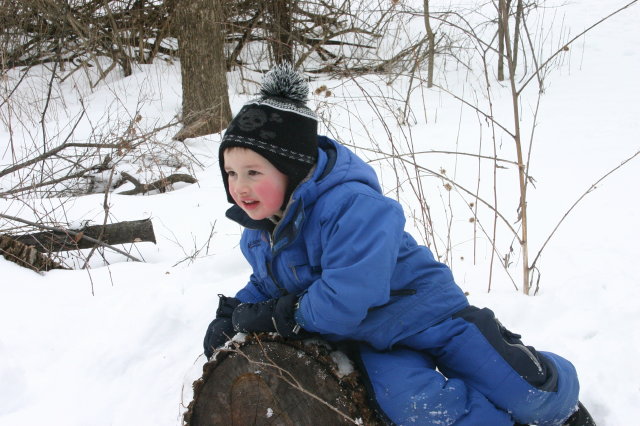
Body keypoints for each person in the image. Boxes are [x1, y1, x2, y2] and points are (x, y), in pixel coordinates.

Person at [202, 63, 595, 425]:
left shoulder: (354, 208)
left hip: (433, 316)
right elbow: (271, 285)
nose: (240, 187)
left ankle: (561, 401)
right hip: (373, 341)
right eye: (231, 173)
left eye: (254, 172)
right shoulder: (261, 232)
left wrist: (277, 315)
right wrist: (236, 310)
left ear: (291, 169)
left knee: (524, 391)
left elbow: (345, 298)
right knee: (416, 406)